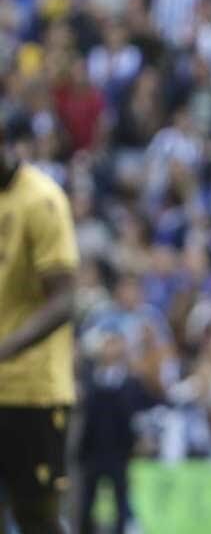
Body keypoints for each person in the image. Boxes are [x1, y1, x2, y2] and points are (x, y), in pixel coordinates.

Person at [0, 116, 81, 534]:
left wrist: (8, 347)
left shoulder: (41, 199)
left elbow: (65, 298)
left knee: (36, 517)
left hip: (32, 390)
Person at [75, 331, 152, 534]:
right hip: (94, 451)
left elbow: (138, 414)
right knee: (87, 503)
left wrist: (139, 441)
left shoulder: (130, 382)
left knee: (120, 502)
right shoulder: (91, 380)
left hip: (119, 452)